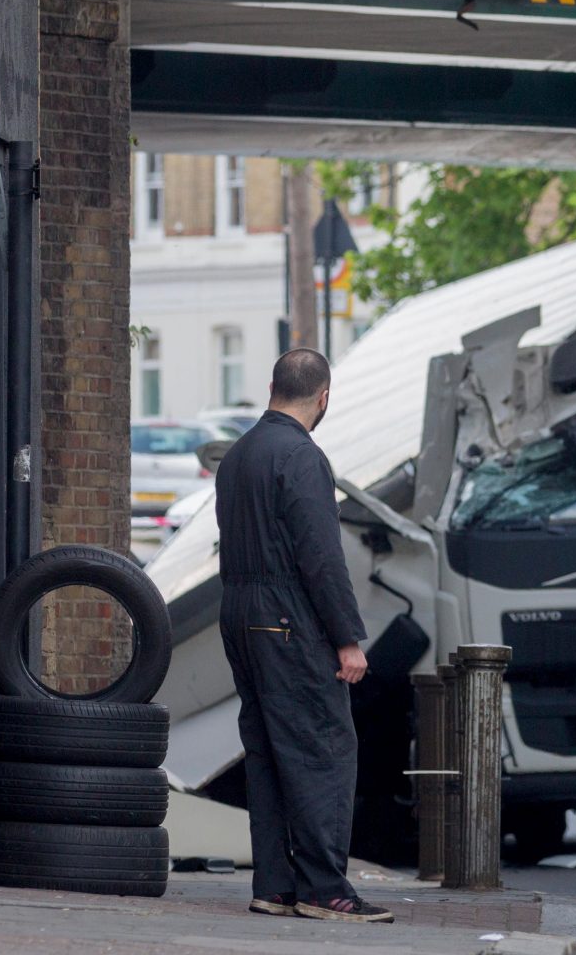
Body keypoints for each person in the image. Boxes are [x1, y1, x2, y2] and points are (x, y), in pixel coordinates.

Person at [215, 348, 393, 924]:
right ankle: (325, 890)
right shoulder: (302, 457)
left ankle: (275, 884)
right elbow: (321, 558)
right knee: (321, 749)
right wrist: (347, 638)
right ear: (323, 397)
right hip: (287, 616)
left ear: (272, 386)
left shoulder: (237, 455)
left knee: (266, 751)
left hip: (239, 613)